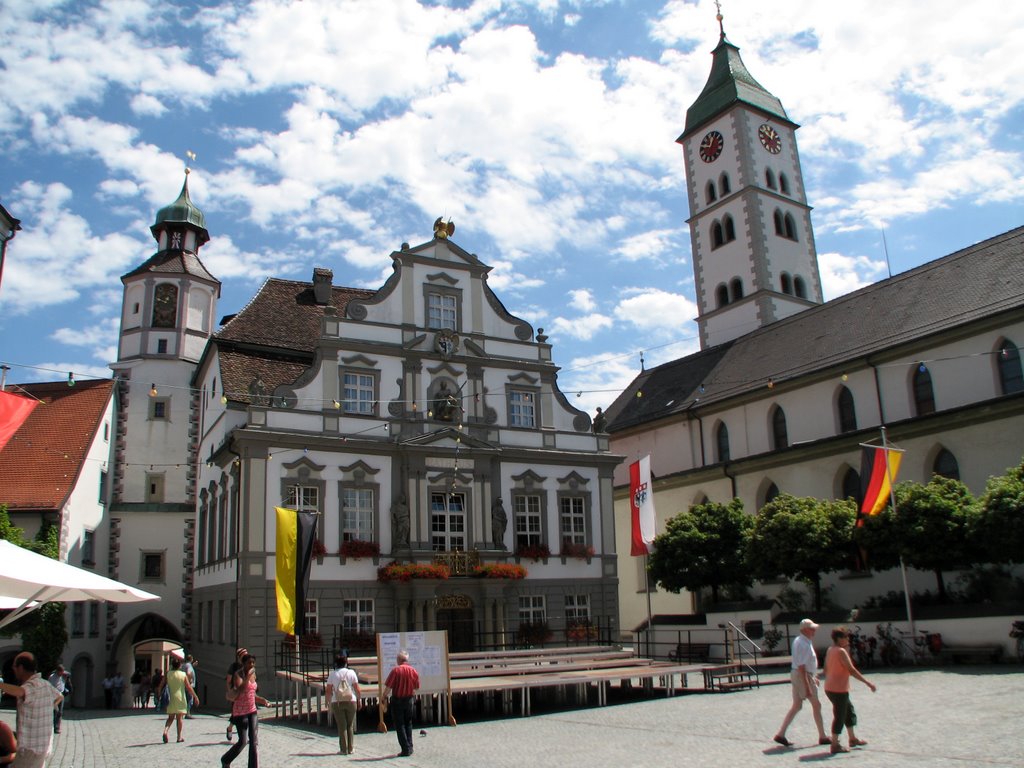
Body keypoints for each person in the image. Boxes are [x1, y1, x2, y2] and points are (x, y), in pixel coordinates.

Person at [0, 651, 63, 768]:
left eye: (14, 666)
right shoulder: (45, 684)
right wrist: (48, 708)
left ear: (21, 668)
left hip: (30, 750)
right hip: (43, 747)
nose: (13, 669)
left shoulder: (31, 686)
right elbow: (60, 696)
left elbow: (20, 692)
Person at [773, 618, 829, 748]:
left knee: (797, 705)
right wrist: (808, 685)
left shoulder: (802, 641)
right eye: (811, 628)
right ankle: (822, 736)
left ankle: (781, 734)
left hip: (801, 675)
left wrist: (812, 676)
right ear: (804, 629)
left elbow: (803, 665)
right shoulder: (803, 643)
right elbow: (802, 666)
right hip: (802, 676)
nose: (814, 630)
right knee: (816, 704)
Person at [824, 626, 877, 754]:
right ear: (839, 638)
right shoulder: (841, 652)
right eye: (845, 636)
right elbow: (851, 670)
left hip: (831, 688)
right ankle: (835, 745)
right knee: (840, 716)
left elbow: (826, 669)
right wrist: (867, 682)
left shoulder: (831, 650)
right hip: (838, 690)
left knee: (848, 711)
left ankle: (852, 739)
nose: (848, 638)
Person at [221, 654, 269, 768]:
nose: (251, 665)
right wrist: (247, 676)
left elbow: (252, 693)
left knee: (253, 742)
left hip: (252, 710)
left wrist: (263, 700)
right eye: (249, 662)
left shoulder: (254, 674)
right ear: (244, 663)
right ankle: (226, 759)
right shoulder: (238, 675)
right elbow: (241, 689)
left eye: (253, 662)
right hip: (240, 713)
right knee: (242, 742)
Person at [382, 650, 420, 757]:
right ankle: (410, 746)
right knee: (408, 723)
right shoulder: (413, 671)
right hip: (409, 699)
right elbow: (416, 687)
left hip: (397, 700)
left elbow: (389, 687)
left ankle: (405, 749)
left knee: (400, 724)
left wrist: (383, 696)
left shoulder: (396, 671)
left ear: (399, 660)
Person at [325, 654, 362, 755]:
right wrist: (359, 699)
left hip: (337, 702)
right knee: (350, 725)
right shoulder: (351, 672)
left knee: (342, 726)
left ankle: (343, 749)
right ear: (346, 663)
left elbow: (328, 690)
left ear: (336, 663)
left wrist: (327, 701)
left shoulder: (333, 674)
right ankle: (351, 748)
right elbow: (357, 688)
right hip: (351, 700)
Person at [159, 656, 199, 744]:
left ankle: (165, 731)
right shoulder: (182, 675)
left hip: (170, 698)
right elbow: (188, 687)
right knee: (179, 718)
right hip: (180, 698)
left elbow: (162, 684)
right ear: (179, 665)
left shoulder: (168, 674)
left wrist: (159, 693)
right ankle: (179, 737)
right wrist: (195, 696)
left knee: (170, 718)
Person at [224, 647, 248, 742]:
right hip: (237, 693)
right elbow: (229, 680)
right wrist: (230, 693)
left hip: (247, 694)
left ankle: (248, 736)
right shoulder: (234, 666)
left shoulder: (248, 665)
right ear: (239, 657)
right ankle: (230, 728)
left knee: (248, 714)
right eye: (244, 655)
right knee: (236, 714)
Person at [46, 665, 68, 734]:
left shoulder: (62, 676)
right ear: (57, 671)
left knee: (59, 712)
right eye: (60, 672)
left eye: (62, 672)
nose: (61, 673)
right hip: (54, 696)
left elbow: (69, 674)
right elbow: (50, 687)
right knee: (54, 711)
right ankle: (51, 726)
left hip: (61, 695)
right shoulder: (52, 677)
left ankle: (57, 727)